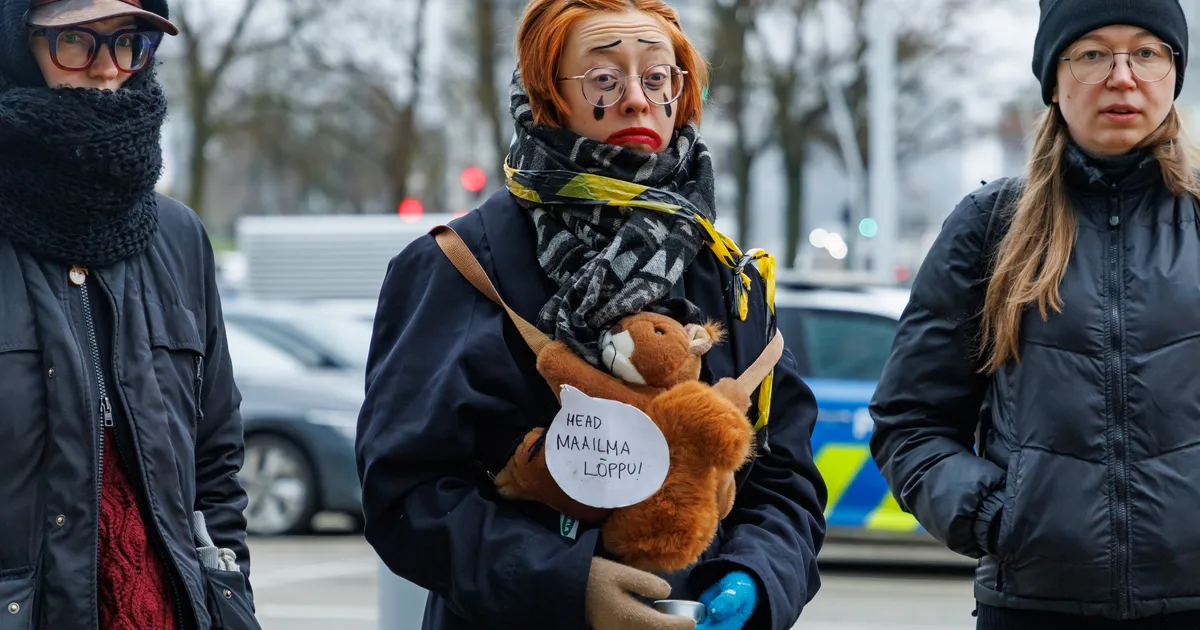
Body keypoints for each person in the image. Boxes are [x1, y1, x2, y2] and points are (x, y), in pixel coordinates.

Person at [356, 1, 827, 629]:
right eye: (605, 79)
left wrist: (755, 579)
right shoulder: (455, 265)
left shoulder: (727, 273)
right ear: (549, 95)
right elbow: (404, 494)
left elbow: (784, 480)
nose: (637, 99)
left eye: (657, 77)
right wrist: (568, 584)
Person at [869, 1, 1200, 628]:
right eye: (1092, 53)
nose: (1122, 76)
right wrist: (1000, 516)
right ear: (1053, 78)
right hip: (1033, 606)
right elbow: (909, 420)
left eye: (1147, 53)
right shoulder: (991, 226)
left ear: (1173, 74)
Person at [0, 0, 257, 628]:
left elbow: (216, 464)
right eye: (76, 41)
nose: (107, 69)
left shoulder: (177, 235)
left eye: (127, 43)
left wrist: (227, 595)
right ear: (15, 42)